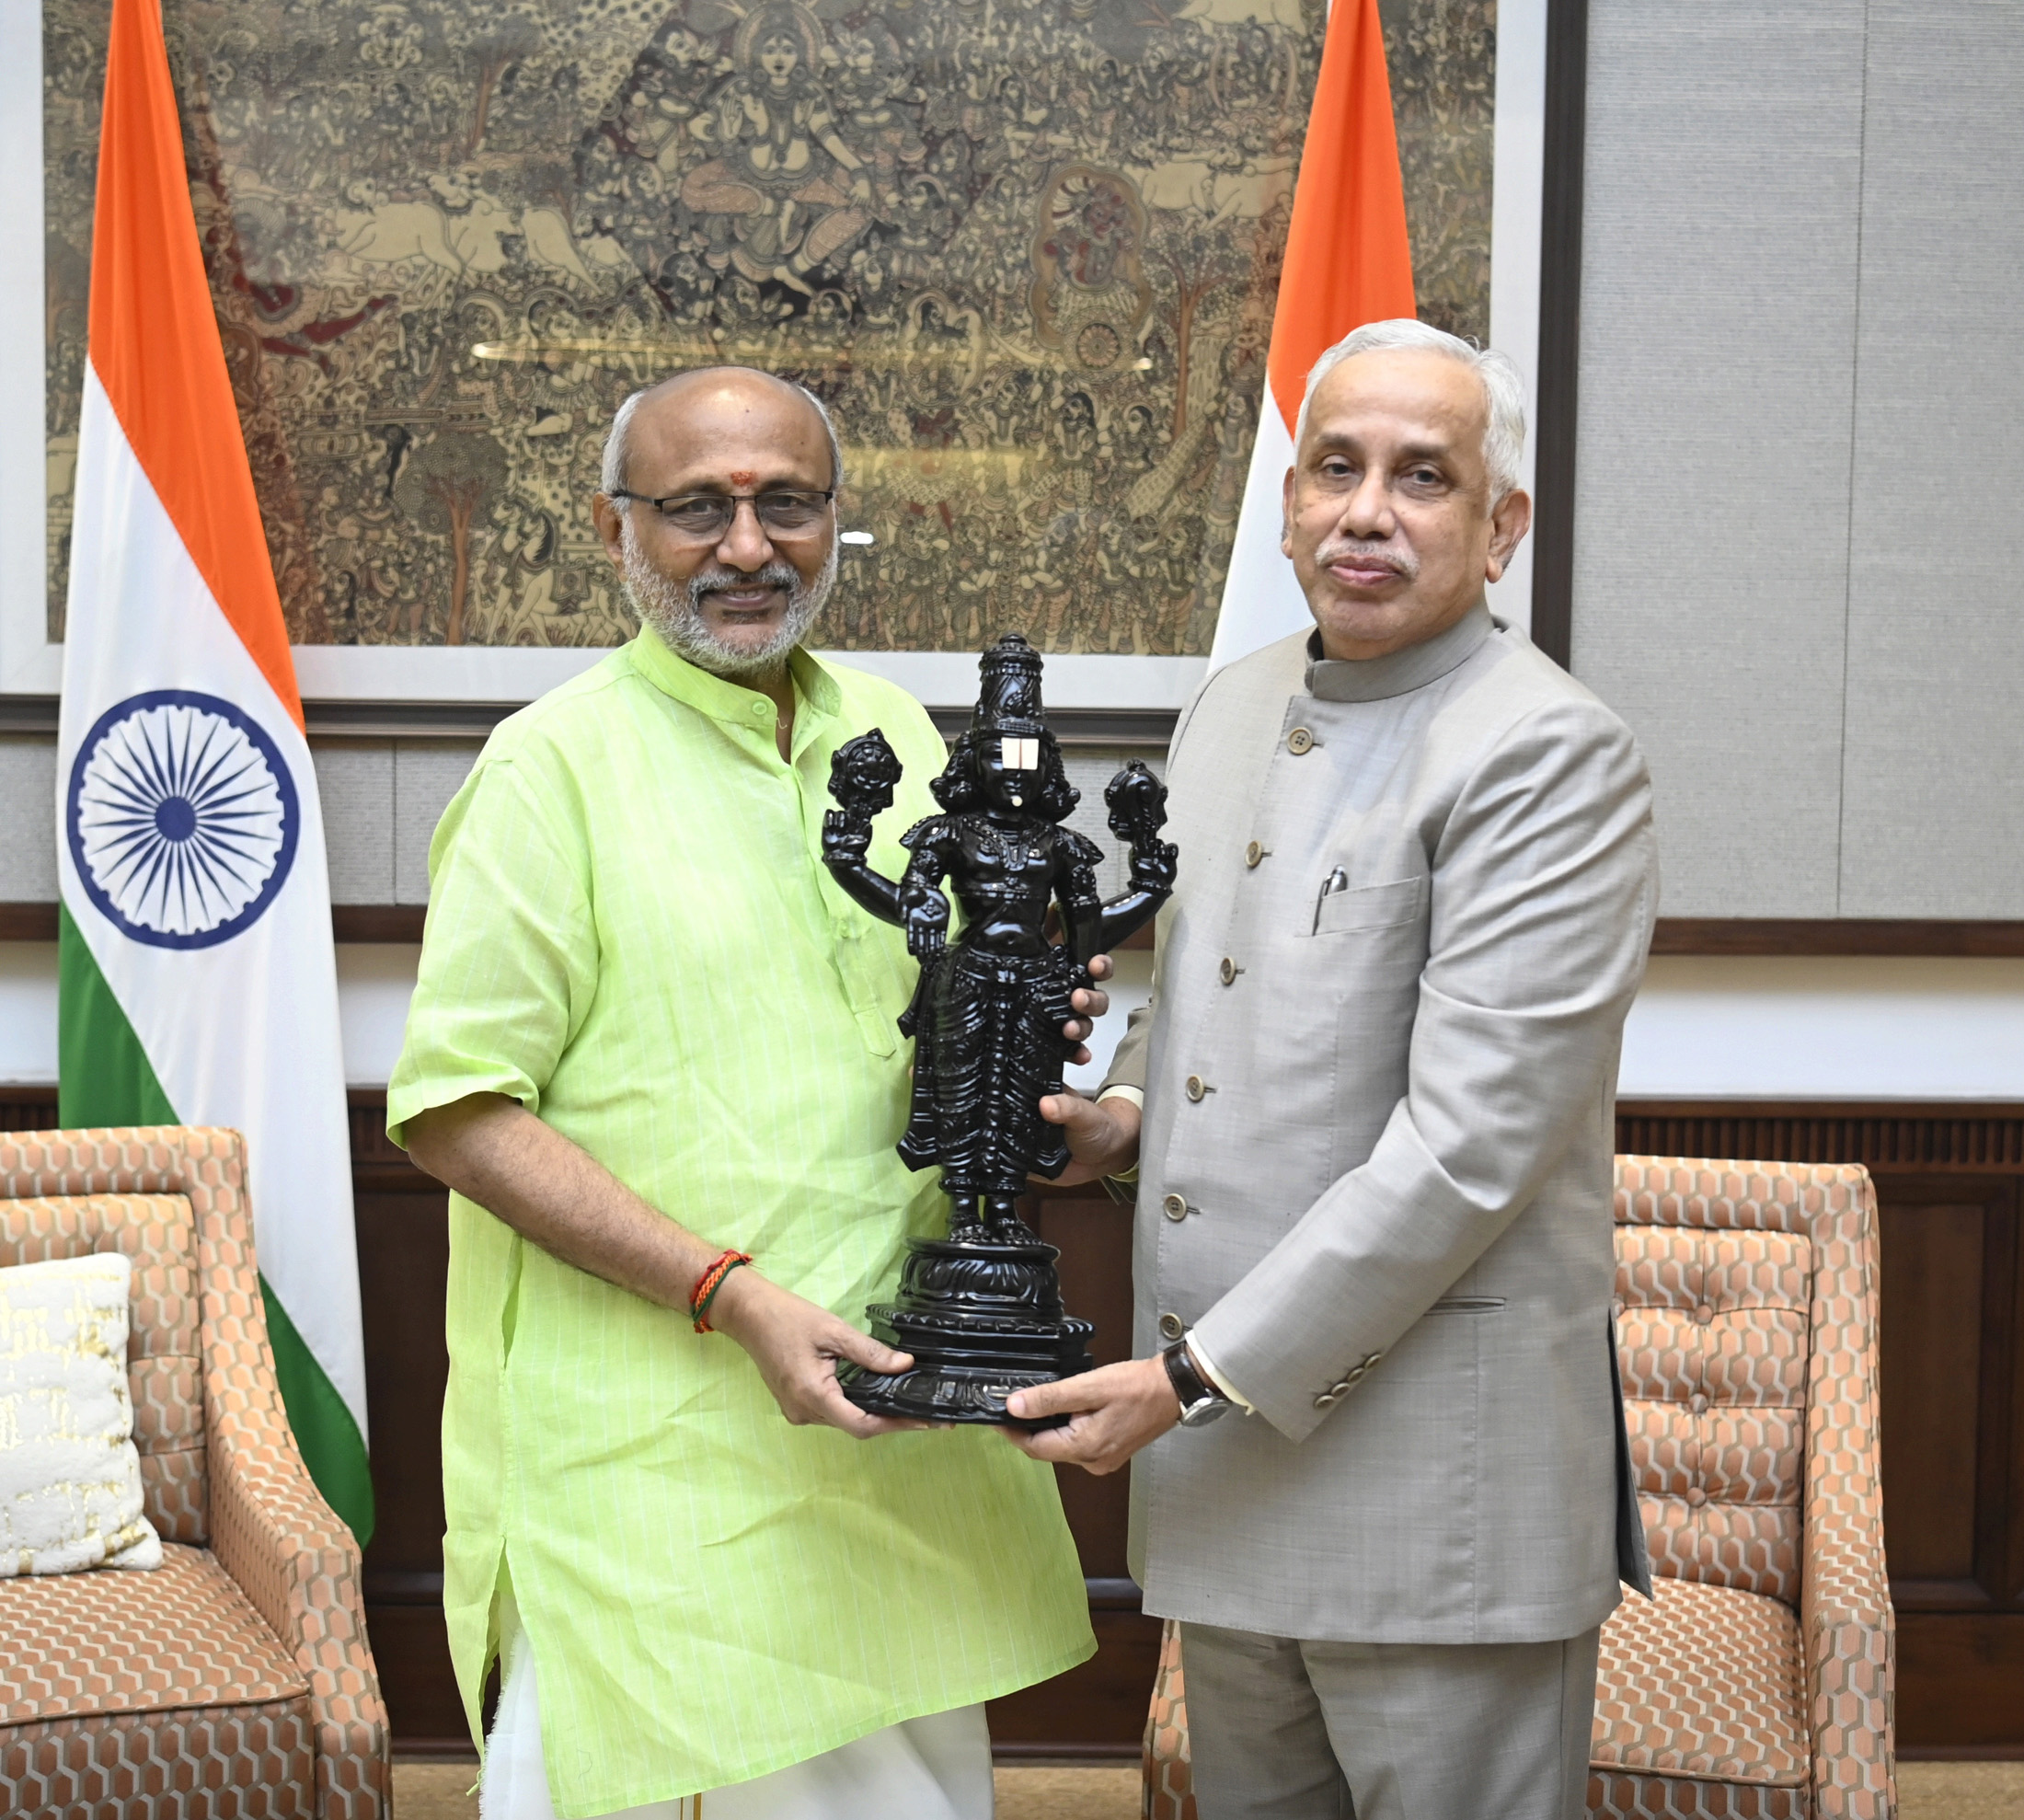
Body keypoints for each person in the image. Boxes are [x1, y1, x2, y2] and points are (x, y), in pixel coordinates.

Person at [388, 367, 1103, 1820]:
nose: (747, 546)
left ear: (836, 519)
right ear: (615, 530)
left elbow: (912, 1041)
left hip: (893, 1461)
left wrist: (1032, 1069)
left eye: (786, 502)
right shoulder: (550, 771)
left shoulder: (904, 742)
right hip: (653, 1476)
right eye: (696, 508)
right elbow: (459, 1108)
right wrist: (730, 1290)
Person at [1012, 318, 1659, 1820]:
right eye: (1336, 469)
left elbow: (1468, 1149)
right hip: (1231, 1478)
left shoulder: (1548, 750)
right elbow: (1215, 1006)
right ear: (1288, 504)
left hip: (1437, 1496)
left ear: (1500, 528)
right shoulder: (1233, 706)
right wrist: (1115, 1121)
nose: (1367, 511)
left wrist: (1190, 1377)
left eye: (1423, 476)